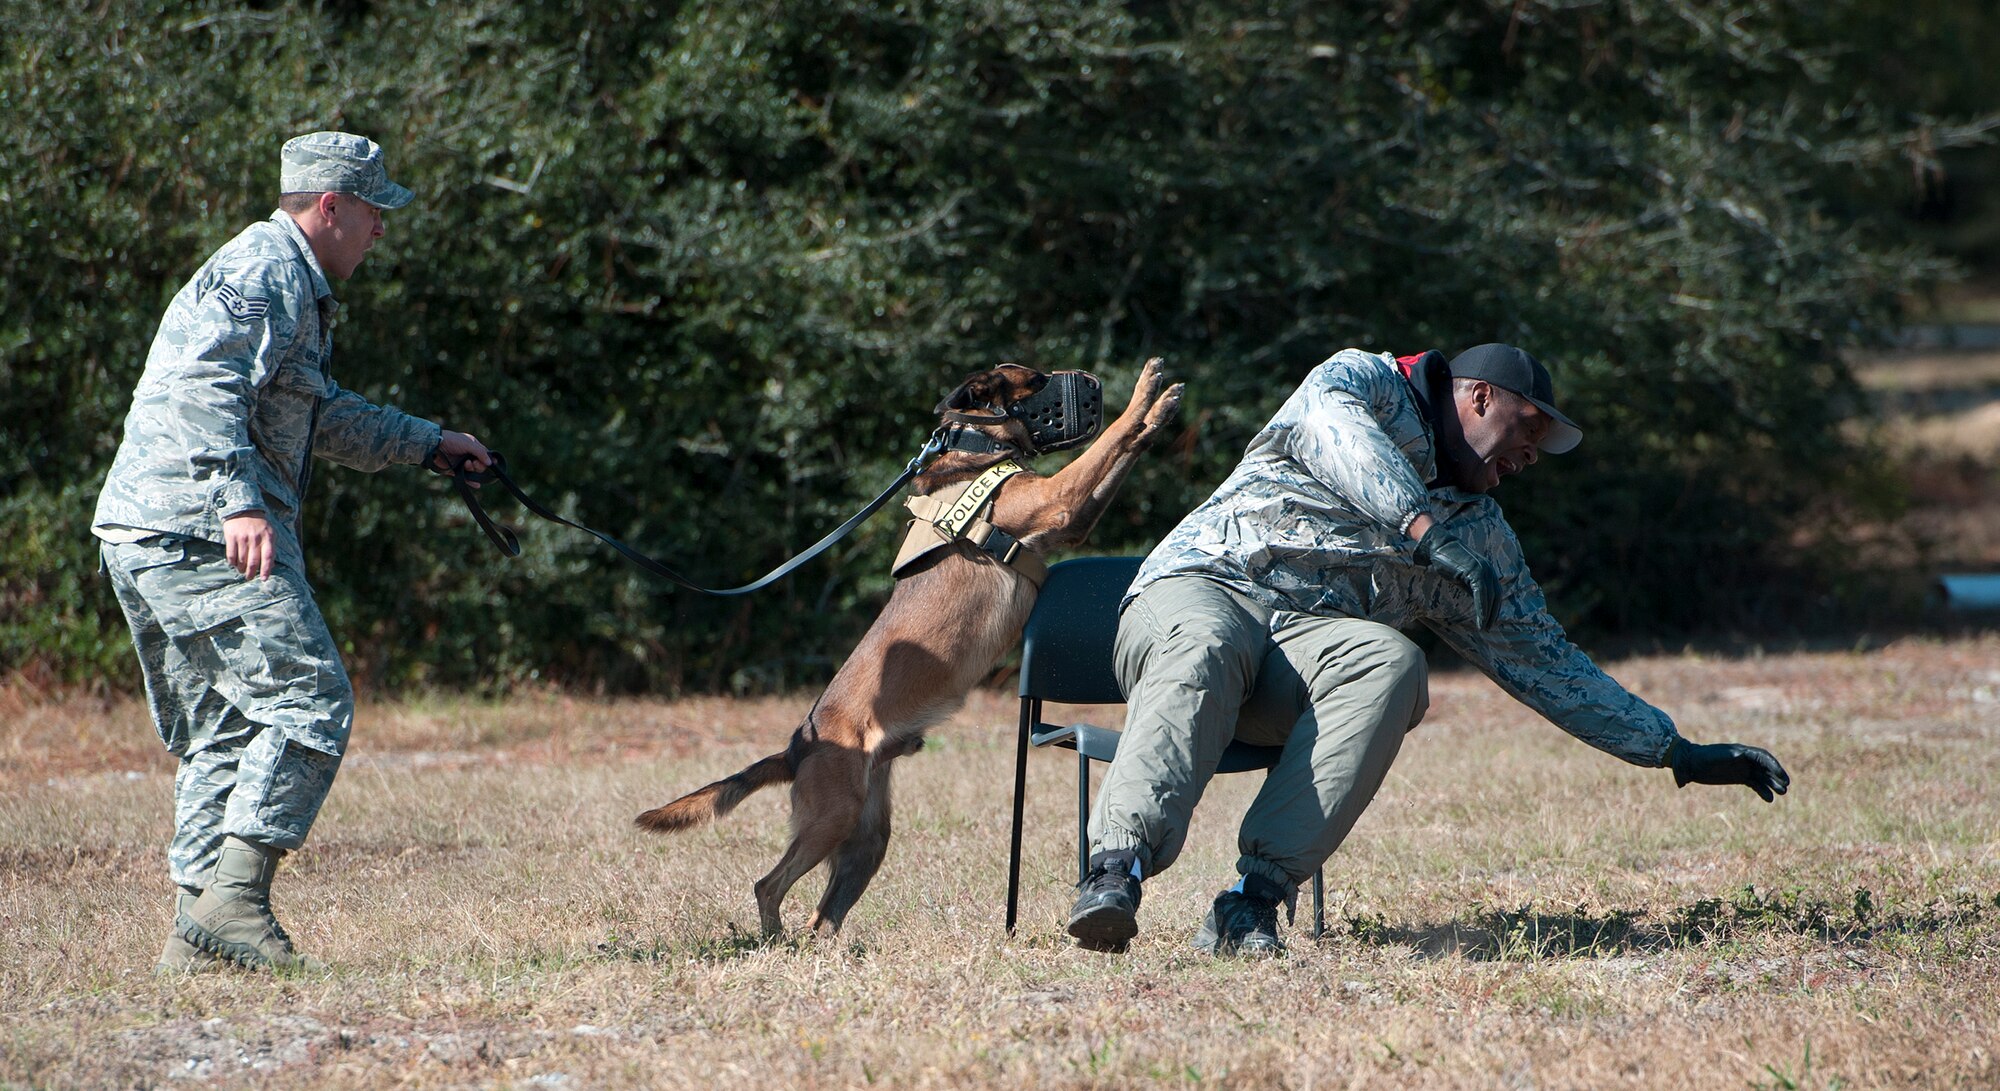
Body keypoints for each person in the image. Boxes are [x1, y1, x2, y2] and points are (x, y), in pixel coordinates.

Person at [1064, 343, 1790, 957]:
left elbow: (1546, 660)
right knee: (1212, 637)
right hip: (1199, 588)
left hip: (1292, 654)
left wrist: (1673, 750)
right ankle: (1114, 870)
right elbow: (1337, 431)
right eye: (1528, 426)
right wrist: (1420, 528)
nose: (1533, 454)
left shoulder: (1477, 535)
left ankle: (1249, 903)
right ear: (1477, 396)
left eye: (1542, 446)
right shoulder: (1366, 382)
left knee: (1393, 663)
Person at [93, 131, 493, 974]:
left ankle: (194, 943)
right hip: (197, 530)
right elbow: (204, 385)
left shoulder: (291, 283)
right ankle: (234, 903)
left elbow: (318, 412)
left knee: (228, 730)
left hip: (152, 528)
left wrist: (430, 443)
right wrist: (238, 500)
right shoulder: (262, 271)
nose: (382, 229)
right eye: (374, 211)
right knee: (313, 700)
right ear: (331, 206)